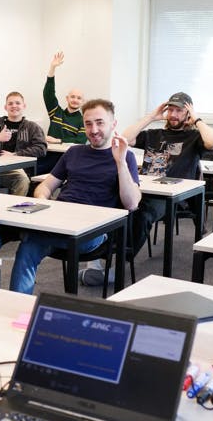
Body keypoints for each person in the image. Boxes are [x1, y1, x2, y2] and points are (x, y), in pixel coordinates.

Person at [9, 99, 140, 295]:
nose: (93, 129)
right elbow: (45, 186)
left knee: (33, 239)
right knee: (28, 244)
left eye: (100, 122)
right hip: (61, 220)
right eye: (88, 124)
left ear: (113, 124)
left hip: (93, 231)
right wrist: (44, 202)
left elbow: (131, 203)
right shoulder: (74, 152)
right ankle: (17, 307)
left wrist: (120, 162)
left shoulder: (125, 156)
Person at [114, 92, 213, 273]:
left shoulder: (194, 138)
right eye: (170, 109)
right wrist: (151, 117)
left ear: (187, 113)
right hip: (144, 189)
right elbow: (124, 139)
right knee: (112, 204)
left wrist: (196, 119)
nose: (173, 114)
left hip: (173, 197)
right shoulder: (154, 134)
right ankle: (104, 253)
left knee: (143, 214)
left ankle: (119, 263)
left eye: (179, 110)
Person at [0, 91, 47, 196]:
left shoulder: (32, 127)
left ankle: (15, 210)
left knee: (22, 179)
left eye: (17, 103)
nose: (14, 106)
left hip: (16, 169)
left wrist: (15, 155)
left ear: (24, 106)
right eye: (10, 103)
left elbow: (41, 148)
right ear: (5, 107)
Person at [43, 51, 85, 145]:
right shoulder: (56, 112)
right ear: (67, 98)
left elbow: (80, 141)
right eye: (72, 97)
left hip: (69, 156)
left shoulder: (83, 121)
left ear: (82, 102)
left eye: (79, 98)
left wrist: (58, 141)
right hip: (49, 153)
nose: (75, 100)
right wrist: (52, 68)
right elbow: (48, 93)